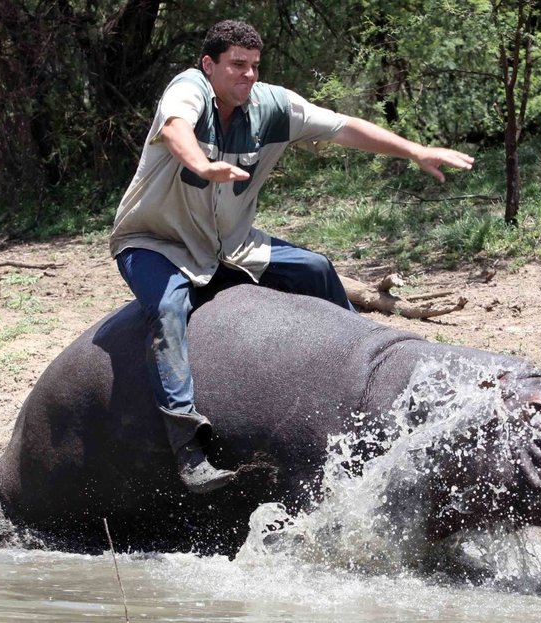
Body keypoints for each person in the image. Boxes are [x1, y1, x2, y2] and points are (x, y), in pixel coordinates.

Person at [110, 20, 474, 494]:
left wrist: (413, 150)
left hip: (231, 247)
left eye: (254, 67)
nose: (248, 76)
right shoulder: (188, 89)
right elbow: (177, 128)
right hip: (154, 241)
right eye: (237, 65)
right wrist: (200, 163)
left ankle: (375, 376)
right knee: (166, 308)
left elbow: (344, 128)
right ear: (209, 65)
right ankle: (187, 447)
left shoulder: (272, 107)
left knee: (318, 268)